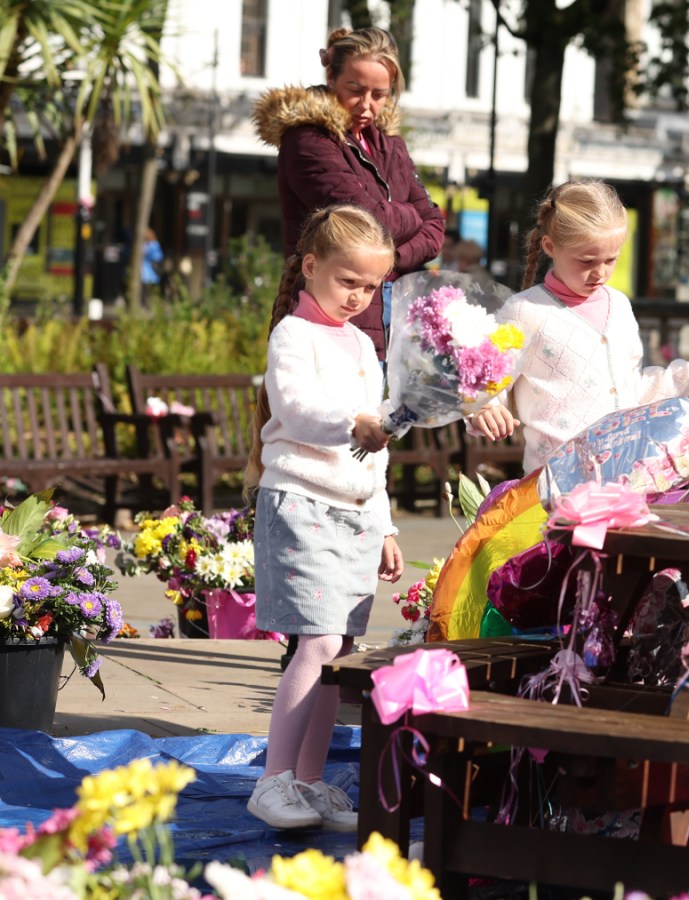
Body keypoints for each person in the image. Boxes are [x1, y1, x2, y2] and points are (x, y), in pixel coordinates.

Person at [243, 205, 404, 831]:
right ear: (311, 266)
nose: (358, 297)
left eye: (370, 288)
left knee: (341, 650)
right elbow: (298, 410)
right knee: (313, 643)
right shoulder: (293, 335)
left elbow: (377, 455)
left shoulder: (365, 343)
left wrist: (386, 524)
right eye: (348, 282)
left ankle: (307, 782)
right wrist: (352, 425)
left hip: (357, 515)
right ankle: (272, 779)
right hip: (302, 504)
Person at [469, 180, 689, 472]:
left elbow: (633, 393)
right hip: (555, 483)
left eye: (611, 259)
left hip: (625, 477)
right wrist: (486, 408)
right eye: (587, 260)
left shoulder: (619, 306)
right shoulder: (524, 312)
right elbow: (488, 382)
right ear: (550, 247)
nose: (600, 272)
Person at [254, 26, 444, 361]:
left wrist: (388, 261)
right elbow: (367, 220)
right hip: (329, 314)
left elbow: (435, 228)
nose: (367, 105)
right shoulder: (309, 140)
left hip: (393, 317)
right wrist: (410, 215)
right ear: (331, 76)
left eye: (379, 94)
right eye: (355, 89)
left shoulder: (390, 142)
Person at [141, 227, 163, 293]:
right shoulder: (145, 244)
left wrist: (148, 253)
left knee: (149, 285)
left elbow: (158, 256)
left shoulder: (154, 245)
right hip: (144, 268)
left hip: (150, 268)